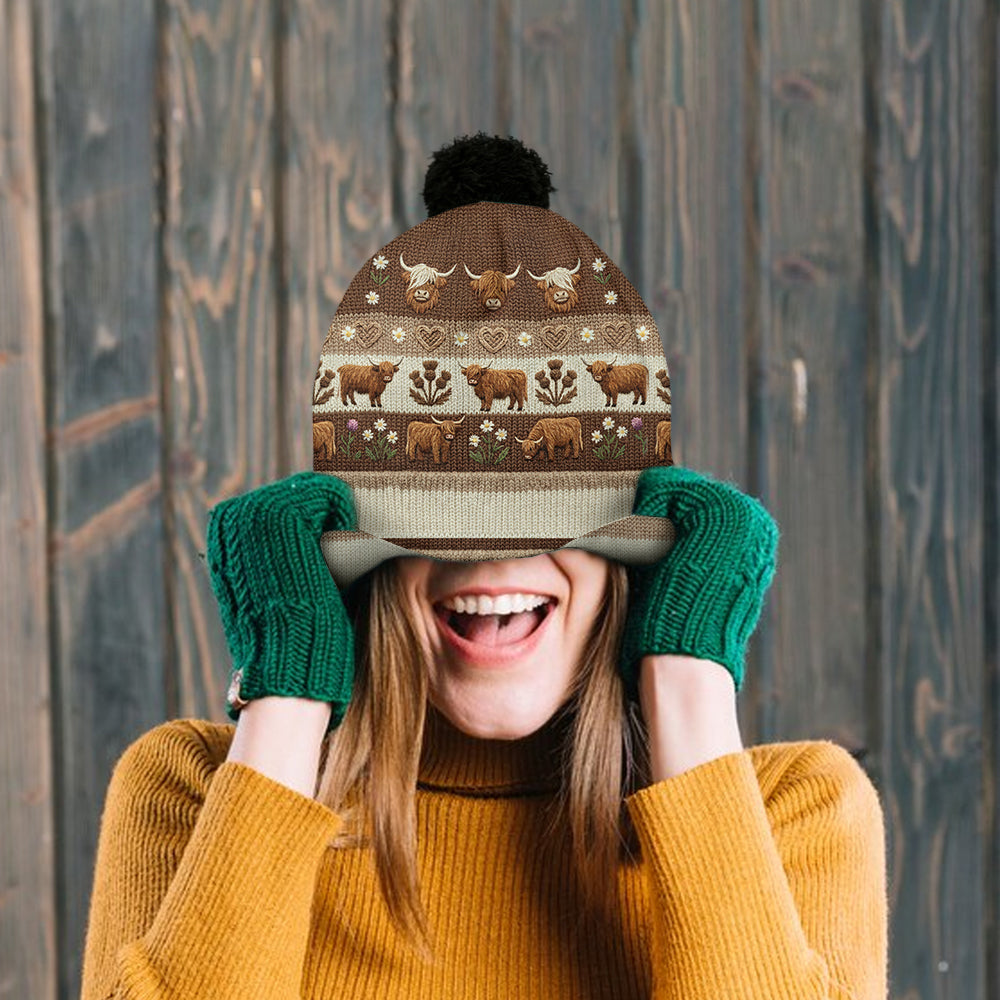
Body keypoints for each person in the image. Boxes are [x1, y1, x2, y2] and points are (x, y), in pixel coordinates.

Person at [80, 135, 888, 999]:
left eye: (554, 515)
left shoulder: (793, 816)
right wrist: (289, 693)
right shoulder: (196, 798)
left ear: (630, 548)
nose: (497, 555)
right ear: (365, 557)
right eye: (441, 521)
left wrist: (689, 676)